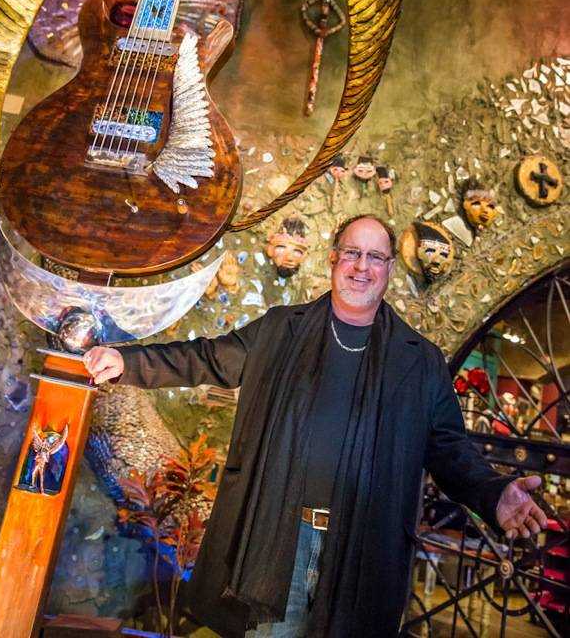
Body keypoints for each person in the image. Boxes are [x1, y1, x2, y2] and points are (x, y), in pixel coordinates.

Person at [84, 214, 547, 638]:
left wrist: (494, 493)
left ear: (389, 268)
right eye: (352, 253)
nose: (362, 266)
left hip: (362, 547)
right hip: (279, 541)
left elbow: (448, 448)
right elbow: (205, 357)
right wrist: (128, 362)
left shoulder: (420, 361)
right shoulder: (282, 330)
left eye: (375, 257)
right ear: (333, 259)